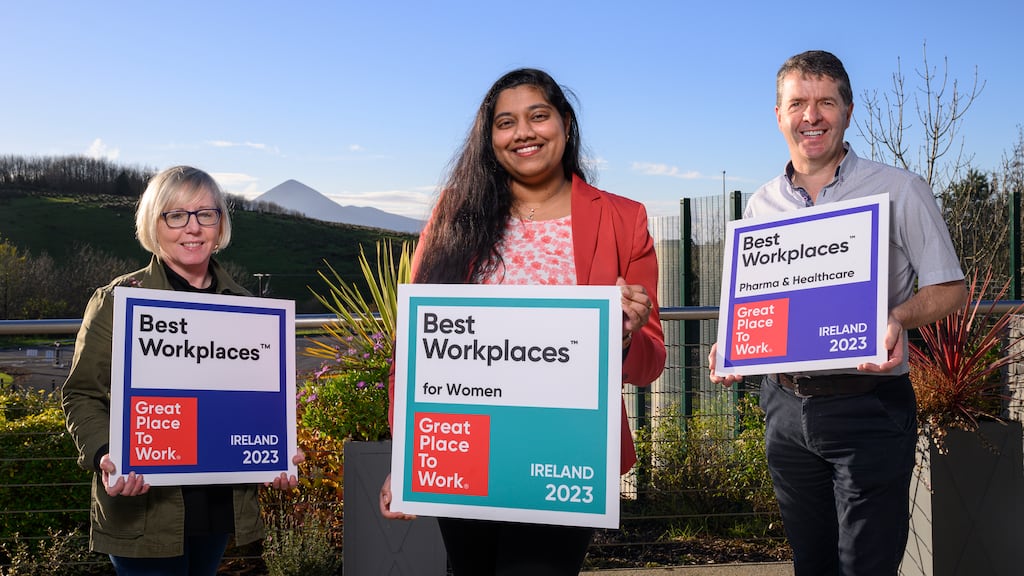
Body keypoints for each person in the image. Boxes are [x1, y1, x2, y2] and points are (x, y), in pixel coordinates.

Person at [378, 68, 667, 575]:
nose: (524, 132)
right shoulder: (454, 215)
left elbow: (650, 363)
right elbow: (417, 348)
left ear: (566, 124)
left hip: (566, 455)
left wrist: (622, 336)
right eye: (505, 122)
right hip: (464, 446)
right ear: (490, 139)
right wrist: (410, 459)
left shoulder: (623, 219)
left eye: (539, 115)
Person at [709, 50, 968, 576]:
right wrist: (730, 343)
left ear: (847, 111)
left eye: (826, 102)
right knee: (812, 564)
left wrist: (898, 316)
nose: (812, 115)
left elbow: (949, 288)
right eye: (798, 103)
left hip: (868, 408)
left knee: (866, 567)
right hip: (784, 408)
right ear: (778, 114)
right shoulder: (761, 205)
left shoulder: (900, 188)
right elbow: (756, 302)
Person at [61, 165, 302, 575]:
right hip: (145, 509)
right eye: (176, 215)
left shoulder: (249, 307)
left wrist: (278, 452)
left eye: (205, 214)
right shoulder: (118, 300)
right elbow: (81, 393)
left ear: (220, 223)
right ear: (154, 224)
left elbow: (259, 402)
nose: (192, 228)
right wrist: (107, 454)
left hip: (216, 507)